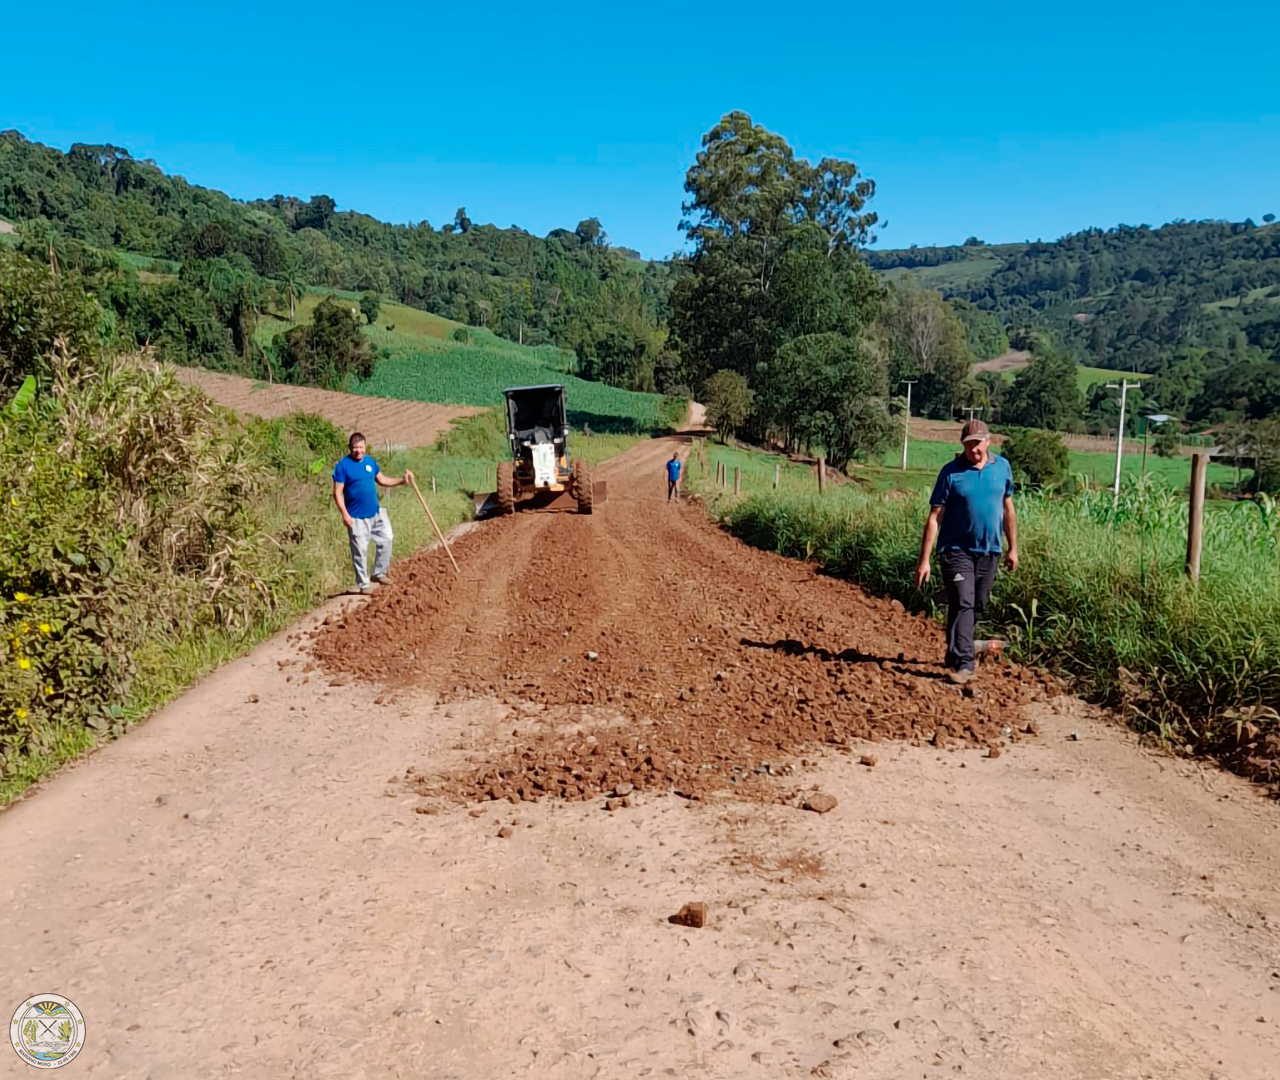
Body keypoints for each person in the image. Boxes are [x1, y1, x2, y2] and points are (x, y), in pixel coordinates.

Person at [913, 420, 1019, 685]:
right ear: (963, 446)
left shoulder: (1002, 468)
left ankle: (955, 649)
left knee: (976, 605)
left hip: (990, 550)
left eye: (978, 443)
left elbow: (1008, 509)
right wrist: (924, 560)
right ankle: (965, 664)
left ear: (988, 441)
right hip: (955, 550)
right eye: (969, 444)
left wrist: (1013, 548)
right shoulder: (951, 473)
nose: (974, 449)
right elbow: (934, 517)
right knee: (963, 602)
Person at [332, 432, 414, 594]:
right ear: (350, 448)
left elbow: (383, 480)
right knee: (360, 551)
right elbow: (337, 492)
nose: (358, 451)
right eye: (355, 448)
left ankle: (378, 573)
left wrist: (402, 480)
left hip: (376, 513)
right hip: (356, 517)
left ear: (365, 447)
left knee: (387, 538)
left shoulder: (370, 462)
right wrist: (344, 514)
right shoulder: (343, 466)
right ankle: (363, 585)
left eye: (361, 447)